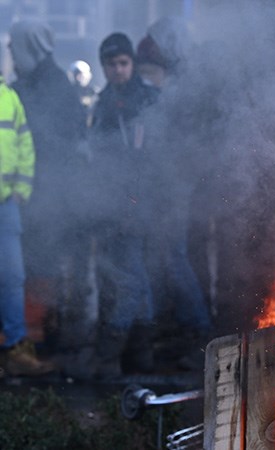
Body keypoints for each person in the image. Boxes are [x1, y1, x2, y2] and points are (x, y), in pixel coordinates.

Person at [8, 19, 90, 374]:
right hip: (34, 192)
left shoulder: (52, 85)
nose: (10, 53)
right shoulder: (28, 83)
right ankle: (36, 333)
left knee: (42, 264)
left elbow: (55, 141)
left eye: (14, 46)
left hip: (48, 194)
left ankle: (43, 336)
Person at [136, 17, 213, 369]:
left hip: (177, 185)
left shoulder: (186, 91)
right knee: (170, 255)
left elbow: (184, 144)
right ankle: (185, 328)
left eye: (150, 71)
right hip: (169, 184)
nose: (146, 78)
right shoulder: (180, 86)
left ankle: (197, 329)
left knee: (174, 256)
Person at [89, 32, 159, 378]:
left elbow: (159, 156)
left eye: (123, 63)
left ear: (131, 63)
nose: (117, 70)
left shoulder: (148, 100)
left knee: (131, 276)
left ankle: (108, 353)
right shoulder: (104, 103)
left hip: (142, 200)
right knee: (134, 276)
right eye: (111, 64)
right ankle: (140, 355)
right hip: (112, 201)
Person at [0, 72, 54, 376]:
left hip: (6, 204)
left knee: (12, 278)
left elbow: (25, 145)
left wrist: (21, 190)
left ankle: (16, 348)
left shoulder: (9, 98)